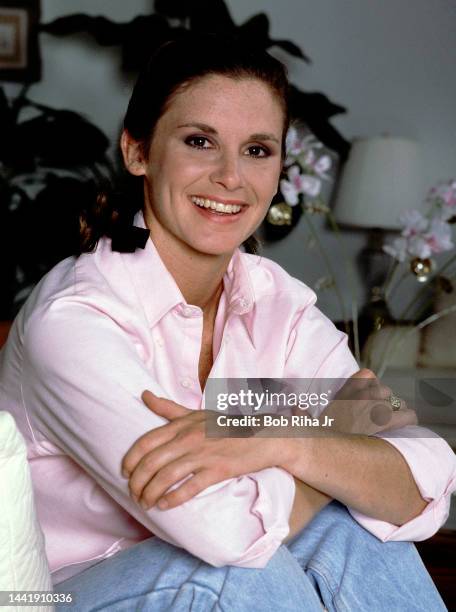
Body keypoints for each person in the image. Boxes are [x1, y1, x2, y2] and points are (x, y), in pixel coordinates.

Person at [1, 34, 454, 611]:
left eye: (258, 150)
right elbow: (223, 531)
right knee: (243, 569)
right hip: (58, 596)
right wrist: (331, 448)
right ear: (138, 151)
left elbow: (427, 479)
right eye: (199, 141)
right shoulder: (75, 320)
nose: (230, 177)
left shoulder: (276, 305)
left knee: (357, 531)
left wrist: (285, 442)